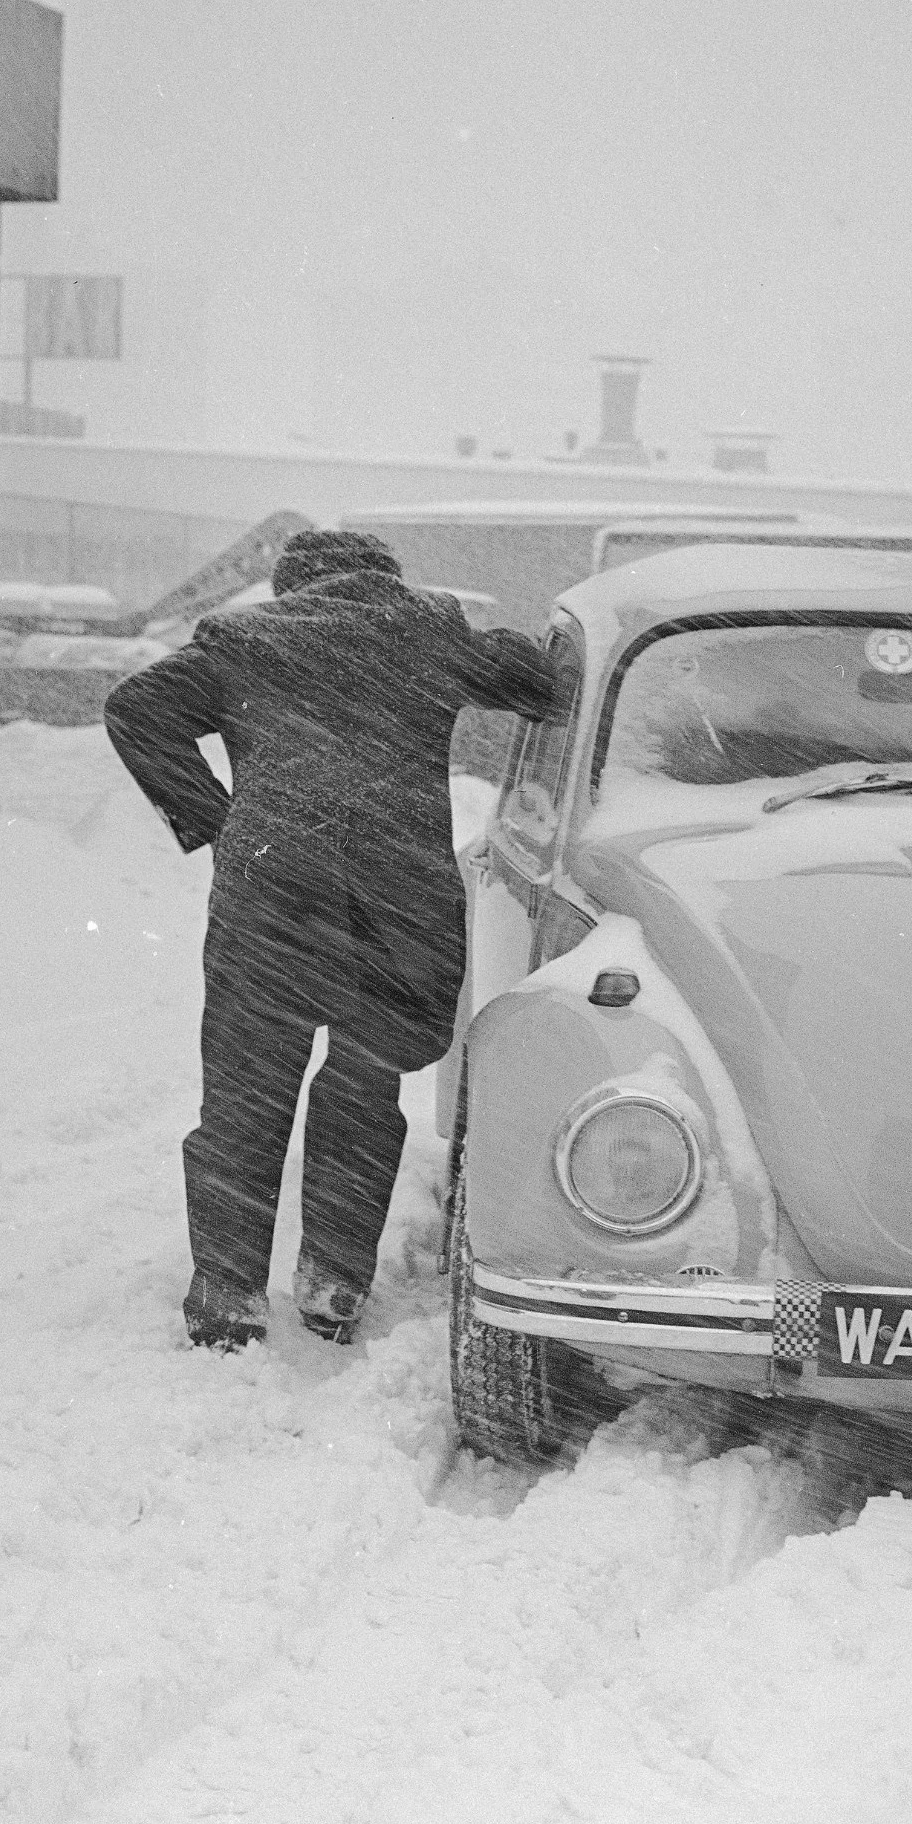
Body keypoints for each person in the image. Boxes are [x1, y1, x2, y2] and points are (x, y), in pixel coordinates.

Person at [104, 529, 557, 1350]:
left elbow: (134, 709)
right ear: (385, 581)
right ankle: (334, 1280)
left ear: (291, 587)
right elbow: (535, 681)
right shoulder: (425, 631)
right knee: (363, 1085)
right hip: (397, 898)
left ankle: (228, 1292)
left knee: (245, 1091)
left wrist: (218, 822)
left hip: (274, 893)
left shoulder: (247, 642)